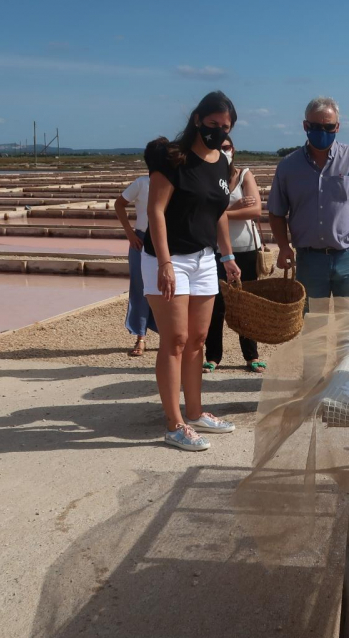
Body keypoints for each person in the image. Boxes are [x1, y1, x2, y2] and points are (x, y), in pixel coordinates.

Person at [143, 91, 242, 452]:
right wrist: (165, 263)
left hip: (203, 259)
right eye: (213, 124)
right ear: (198, 119)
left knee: (199, 340)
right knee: (175, 340)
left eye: (225, 126)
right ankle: (174, 423)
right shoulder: (173, 158)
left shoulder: (222, 163)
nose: (218, 130)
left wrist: (227, 256)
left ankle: (196, 412)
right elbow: (156, 211)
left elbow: (217, 213)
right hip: (167, 257)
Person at [267, 97, 349, 302]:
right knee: (313, 326)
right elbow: (276, 212)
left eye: (328, 127)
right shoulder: (288, 166)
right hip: (309, 259)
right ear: (305, 126)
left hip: (348, 257)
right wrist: (284, 246)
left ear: (337, 127)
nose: (322, 132)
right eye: (315, 126)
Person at [203, 135, 266, 373]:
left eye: (226, 147)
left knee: (246, 304)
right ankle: (213, 356)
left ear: (233, 149)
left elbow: (256, 209)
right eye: (218, 147)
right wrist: (234, 208)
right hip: (216, 249)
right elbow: (204, 213)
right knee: (215, 304)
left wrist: (223, 213)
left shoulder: (244, 175)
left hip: (247, 248)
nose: (223, 151)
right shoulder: (208, 177)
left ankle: (251, 356)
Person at [114, 141, 162, 356]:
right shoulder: (142, 183)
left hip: (169, 241)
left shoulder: (177, 183)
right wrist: (130, 233)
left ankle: (170, 336)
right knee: (141, 289)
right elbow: (119, 204)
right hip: (141, 240)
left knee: (170, 288)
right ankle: (141, 337)